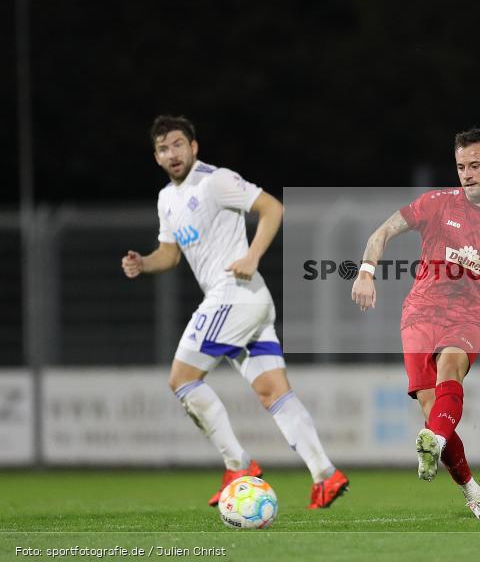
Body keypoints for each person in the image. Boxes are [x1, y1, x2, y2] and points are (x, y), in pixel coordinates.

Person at [122, 115, 348, 509]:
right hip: (245, 302)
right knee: (273, 391)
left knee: (182, 380)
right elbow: (170, 254)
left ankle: (238, 466)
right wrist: (144, 262)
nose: (171, 153)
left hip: (235, 294)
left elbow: (272, 208)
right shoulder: (167, 199)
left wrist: (252, 255)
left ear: (194, 147)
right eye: (163, 148)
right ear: (156, 157)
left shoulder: (216, 180)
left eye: (178, 144)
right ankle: (326, 474)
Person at [351, 128, 480, 520]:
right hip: (420, 314)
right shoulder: (435, 203)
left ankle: (436, 440)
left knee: (451, 367)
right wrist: (365, 271)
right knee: (433, 413)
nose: (467, 173)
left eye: (475, 165)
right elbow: (383, 232)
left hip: (468, 319)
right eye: (461, 166)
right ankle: (474, 494)